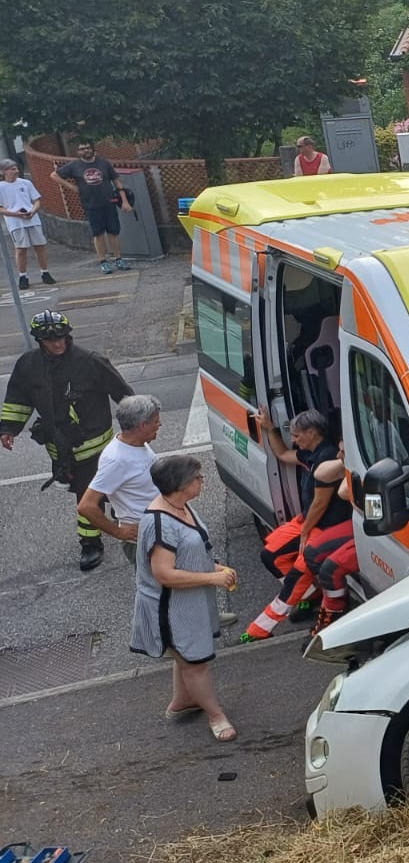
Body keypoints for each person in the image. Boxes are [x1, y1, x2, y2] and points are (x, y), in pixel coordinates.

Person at [1, 311, 132, 570]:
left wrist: (138, 423)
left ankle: (91, 544)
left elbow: (124, 394)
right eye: (50, 340)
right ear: (39, 340)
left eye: (61, 337)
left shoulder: (90, 362)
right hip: (61, 448)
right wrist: (9, 428)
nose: (58, 343)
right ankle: (120, 514)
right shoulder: (29, 366)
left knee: (88, 493)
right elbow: (18, 398)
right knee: (95, 489)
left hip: (96, 448)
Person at [131, 454, 238, 742]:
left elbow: (190, 554)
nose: (202, 481)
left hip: (188, 602)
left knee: (186, 655)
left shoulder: (181, 507)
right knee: (195, 662)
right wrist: (213, 578)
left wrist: (217, 568)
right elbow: (165, 574)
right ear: (180, 485)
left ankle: (181, 703)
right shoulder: (159, 522)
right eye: (197, 478)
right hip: (171, 607)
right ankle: (216, 715)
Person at [242, 408, 341, 640]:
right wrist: (269, 428)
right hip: (307, 520)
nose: (294, 440)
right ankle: (310, 596)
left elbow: (320, 503)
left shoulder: (326, 457)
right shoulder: (311, 452)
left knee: (298, 572)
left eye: (297, 436)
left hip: (324, 525)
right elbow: (284, 454)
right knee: (270, 555)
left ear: (312, 432)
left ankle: (260, 629)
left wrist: (305, 532)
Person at [77, 394, 162, 564]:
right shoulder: (115, 460)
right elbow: (86, 506)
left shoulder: (136, 443)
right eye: (155, 421)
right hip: (146, 541)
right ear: (142, 425)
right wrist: (119, 532)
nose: (159, 424)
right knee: (158, 589)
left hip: (160, 530)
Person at [52, 140, 132, 275]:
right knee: (98, 234)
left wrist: (124, 201)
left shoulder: (104, 163)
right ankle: (103, 262)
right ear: (78, 152)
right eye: (82, 149)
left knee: (113, 232)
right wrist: (72, 187)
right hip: (91, 205)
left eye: (88, 148)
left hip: (109, 202)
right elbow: (54, 175)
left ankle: (119, 259)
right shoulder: (74, 166)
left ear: (93, 149)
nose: (85, 150)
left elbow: (117, 182)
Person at [302, 451, 357, 636]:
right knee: (312, 553)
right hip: (362, 517)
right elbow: (321, 474)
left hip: (385, 524)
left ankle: (336, 617)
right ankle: (332, 604)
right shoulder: (356, 448)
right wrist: (345, 460)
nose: (341, 449)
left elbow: (344, 492)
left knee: (330, 569)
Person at [0, 159, 53, 288]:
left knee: (40, 246)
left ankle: (45, 272)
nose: (16, 171)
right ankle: (23, 276)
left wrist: (33, 211)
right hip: (16, 222)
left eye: (16, 168)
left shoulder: (26, 183)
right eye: (12, 169)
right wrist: (15, 214)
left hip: (32, 219)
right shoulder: (1, 187)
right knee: (21, 249)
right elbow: (1, 208)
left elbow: (37, 200)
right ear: (4, 172)